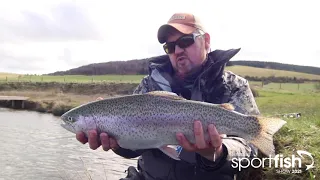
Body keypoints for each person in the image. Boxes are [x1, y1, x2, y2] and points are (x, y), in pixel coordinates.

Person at [76, 13, 261, 180]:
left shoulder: (234, 86)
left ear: (206, 41)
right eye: (170, 47)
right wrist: (118, 144)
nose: (178, 50)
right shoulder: (148, 86)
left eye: (186, 41)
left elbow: (251, 148)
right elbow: (134, 148)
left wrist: (218, 152)